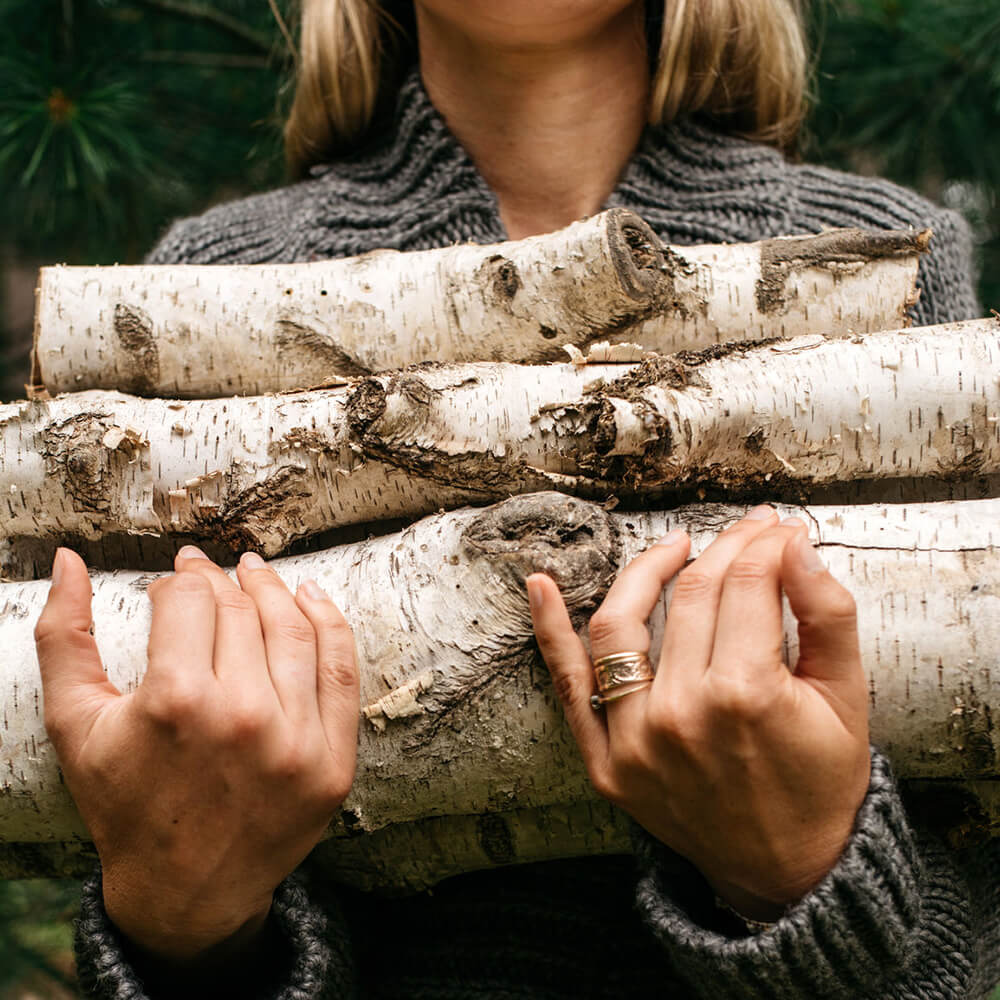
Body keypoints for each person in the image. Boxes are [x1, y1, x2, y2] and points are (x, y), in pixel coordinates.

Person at [32, 1, 998, 997]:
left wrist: (796, 875)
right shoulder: (206, 284)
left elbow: (961, 935)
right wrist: (182, 924)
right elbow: (168, 818)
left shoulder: (884, 261)